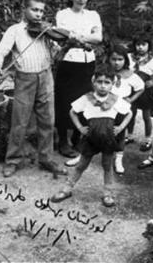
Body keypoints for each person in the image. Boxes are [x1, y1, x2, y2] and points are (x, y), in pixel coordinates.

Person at [0, 0, 67, 178]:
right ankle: (12, 160)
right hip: (25, 79)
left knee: (48, 121)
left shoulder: (46, 31)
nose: (39, 14)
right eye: (34, 10)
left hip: (46, 76)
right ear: (24, 10)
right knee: (19, 122)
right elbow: (1, 50)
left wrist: (65, 45)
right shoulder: (15, 30)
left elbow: (55, 55)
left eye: (41, 11)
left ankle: (47, 158)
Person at [50, 64, 133, 207]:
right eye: (99, 82)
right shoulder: (87, 98)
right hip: (91, 137)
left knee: (107, 166)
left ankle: (108, 193)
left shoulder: (115, 99)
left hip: (108, 137)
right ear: (93, 82)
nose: (102, 86)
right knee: (81, 165)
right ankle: (67, 189)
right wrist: (80, 127)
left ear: (112, 84)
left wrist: (120, 128)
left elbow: (129, 113)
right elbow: (72, 112)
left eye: (107, 83)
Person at [64, 42, 145, 174]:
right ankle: (83, 155)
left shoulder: (130, 75)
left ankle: (118, 158)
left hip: (119, 108)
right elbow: (94, 84)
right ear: (108, 59)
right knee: (92, 131)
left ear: (125, 60)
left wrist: (130, 99)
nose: (117, 63)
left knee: (118, 134)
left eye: (120, 59)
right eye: (114, 59)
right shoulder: (104, 73)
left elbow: (141, 88)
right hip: (101, 106)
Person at [55, 0, 103, 159]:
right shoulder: (63, 14)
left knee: (84, 100)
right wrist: (84, 39)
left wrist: (78, 37)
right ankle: (62, 141)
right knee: (64, 101)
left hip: (87, 62)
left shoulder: (93, 15)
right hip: (68, 61)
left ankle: (77, 138)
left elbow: (98, 37)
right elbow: (63, 36)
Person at [125, 35, 153, 151]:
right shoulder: (129, 57)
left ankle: (148, 139)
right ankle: (129, 135)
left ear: (148, 46)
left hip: (146, 90)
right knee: (131, 112)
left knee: (146, 115)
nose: (140, 47)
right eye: (138, 45)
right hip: (132, 89)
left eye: (143, 45)